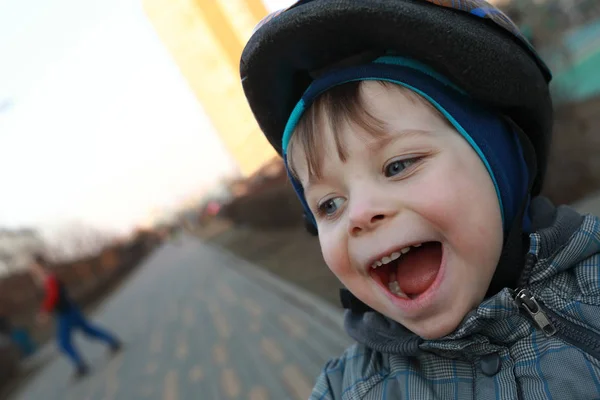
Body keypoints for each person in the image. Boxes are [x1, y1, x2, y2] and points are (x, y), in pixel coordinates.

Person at [239, 1, 600, 398]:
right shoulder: (350, 390)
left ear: (501, 163)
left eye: (398, 166)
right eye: (329, 205)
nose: (359, 214)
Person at [30, 254, 121, 379]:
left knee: (64, 342)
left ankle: (81, 365)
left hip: (66, 313)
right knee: (88, 331)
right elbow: (53, 295)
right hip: (69, 310)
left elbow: (53, 296)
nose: (33, 271)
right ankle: (113, 342)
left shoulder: (49, 278)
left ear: (40, 267)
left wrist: (44, 312)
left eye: (34, 268)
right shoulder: (49, 278)